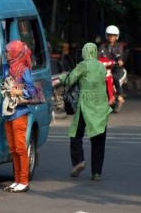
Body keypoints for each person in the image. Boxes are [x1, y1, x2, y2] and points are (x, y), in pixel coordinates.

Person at [59, 42, 112, 181]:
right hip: (101, 106)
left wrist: (61, 77)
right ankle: (96, 173)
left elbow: (70, 79)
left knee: (75, 133)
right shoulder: (101, 66)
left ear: (84, 52)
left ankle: (78, 161)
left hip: (86, 104)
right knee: (99, 139)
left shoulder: (83, 65)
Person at [1, 40, 37, 193]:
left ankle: (23, 181)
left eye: (10, 51)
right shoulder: (6, 68)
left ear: (16, 53)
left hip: (20, 113)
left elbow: (33, 92)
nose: (7, 53)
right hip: (9, 113)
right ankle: (16, 180)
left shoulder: (24, 70)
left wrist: (19, 92)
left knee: (21, 148)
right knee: (13, 149)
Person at [98, 25, 125, 104]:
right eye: (110, 35)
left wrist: (119, 60)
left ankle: (120, 95)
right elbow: (98, 54)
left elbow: (119, 55)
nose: (112, 37)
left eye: (114, 35)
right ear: (107, 35)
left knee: (115, 77)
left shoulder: (119, 46)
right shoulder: (103, 46)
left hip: (116, 68)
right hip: (105, 68)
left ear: (117, 36)